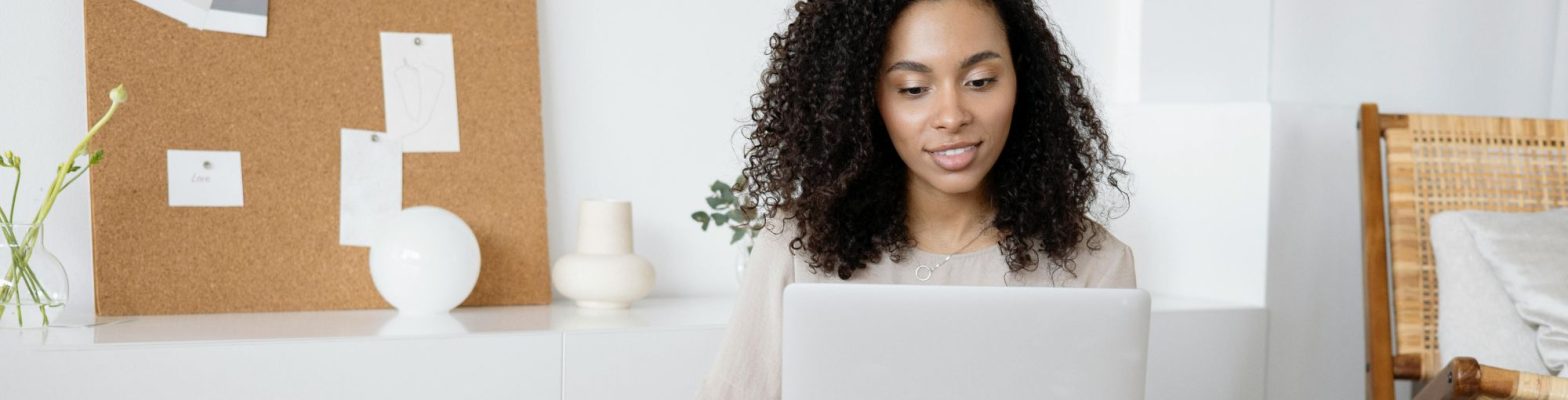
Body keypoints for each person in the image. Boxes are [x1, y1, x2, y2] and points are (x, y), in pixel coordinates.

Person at [698, 0, 1134, 398]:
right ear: (866, 99)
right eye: (912, 88)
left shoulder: (1094, 265)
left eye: (981, 81)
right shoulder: (796, 246)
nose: (951, 116)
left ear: (1023, 80)